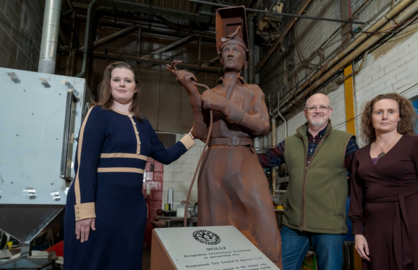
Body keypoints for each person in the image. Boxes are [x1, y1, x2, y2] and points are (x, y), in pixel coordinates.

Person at [166, 7, 282, 268]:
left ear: (245, 59)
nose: (231, 53)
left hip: (244, 159)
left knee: (264, 227)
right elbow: (200, 130)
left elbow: (263, 126)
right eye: (226, 50)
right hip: (215, 162)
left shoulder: (253, 91)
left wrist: (229, 109)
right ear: (220, 57)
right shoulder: (211, 91)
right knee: (215, 230)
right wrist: (192, 92)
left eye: (236, 50)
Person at [63, 61, 195, 270]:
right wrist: (84, 211)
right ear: (109, 84)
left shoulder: (144, 124)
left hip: (131, 210)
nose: (122, 84)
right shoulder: (98, 114)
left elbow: (165, 156)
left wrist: (192, 135)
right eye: (116, 80)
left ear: (136, 87)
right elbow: (84, 166)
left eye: (128, 80)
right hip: (98, 207)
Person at [349, 93, 418, 270]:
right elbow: (356, 197)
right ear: (370, 118)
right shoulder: (359, 155)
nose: (385, 116)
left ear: (400, 116)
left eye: (391, 111)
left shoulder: (417, 145)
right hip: (376, 229)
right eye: (379, 112)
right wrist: (357, 233)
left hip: (414, 223)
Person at [258, 93, 359, 270]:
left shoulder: (345, 142)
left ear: (330, 111)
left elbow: (361, 179)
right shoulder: (289, 143)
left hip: (329, 227)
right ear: (305, 112)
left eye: (322, 107)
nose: (317, 111)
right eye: (312, 107)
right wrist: (235, 145)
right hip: (293, 227)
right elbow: (264, 160)